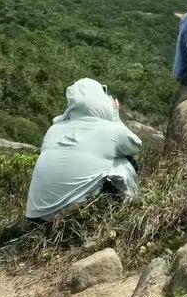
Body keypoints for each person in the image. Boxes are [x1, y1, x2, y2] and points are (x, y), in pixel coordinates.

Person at [24, 78, 142, 221]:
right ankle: (127, 209)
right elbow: (136, 146)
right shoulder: (110, 130)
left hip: (36, 217)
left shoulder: (53, 129)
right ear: (101, 101)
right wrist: (115, 116)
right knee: (125, 160)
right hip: (71, 216)